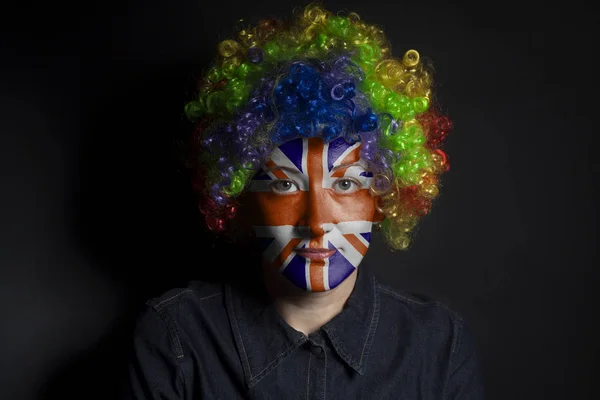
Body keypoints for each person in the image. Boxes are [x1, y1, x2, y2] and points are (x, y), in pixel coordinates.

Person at [122, 3, 484, 399]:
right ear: (242, 197)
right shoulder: (176, 339)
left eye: (345, 186)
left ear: (384, 196)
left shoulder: (438, 344)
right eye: (284, 186)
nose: (316, 223)